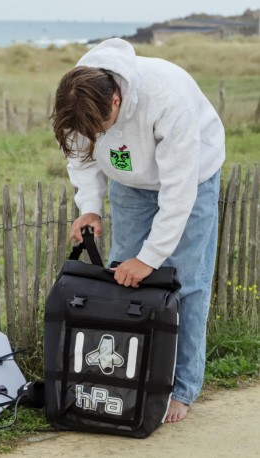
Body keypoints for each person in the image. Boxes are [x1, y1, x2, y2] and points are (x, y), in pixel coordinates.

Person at [51, 38, 225, 423]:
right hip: (129, 183)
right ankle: (126, 376)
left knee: (185, 283)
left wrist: (150, 258)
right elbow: (80, 157)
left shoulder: (167, 95)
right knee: (120, 277)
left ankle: (181, 387)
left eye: (102, 128)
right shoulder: (79, 95)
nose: (95, 135)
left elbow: (179, 193)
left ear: (116, 100)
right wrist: (91, 208)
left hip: (191, 177)